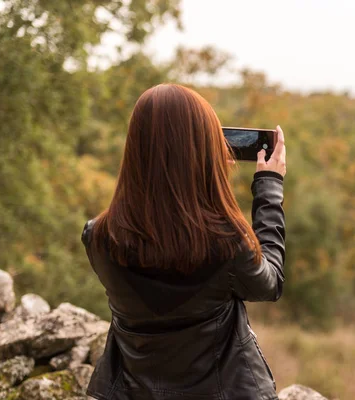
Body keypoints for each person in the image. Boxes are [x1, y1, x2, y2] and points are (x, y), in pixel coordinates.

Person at [81, 83, 286, 400]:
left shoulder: (99, 236)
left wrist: (205, 182)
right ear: (203, 153)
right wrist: (268, 188)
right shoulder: (227, 242)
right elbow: (269, 285)